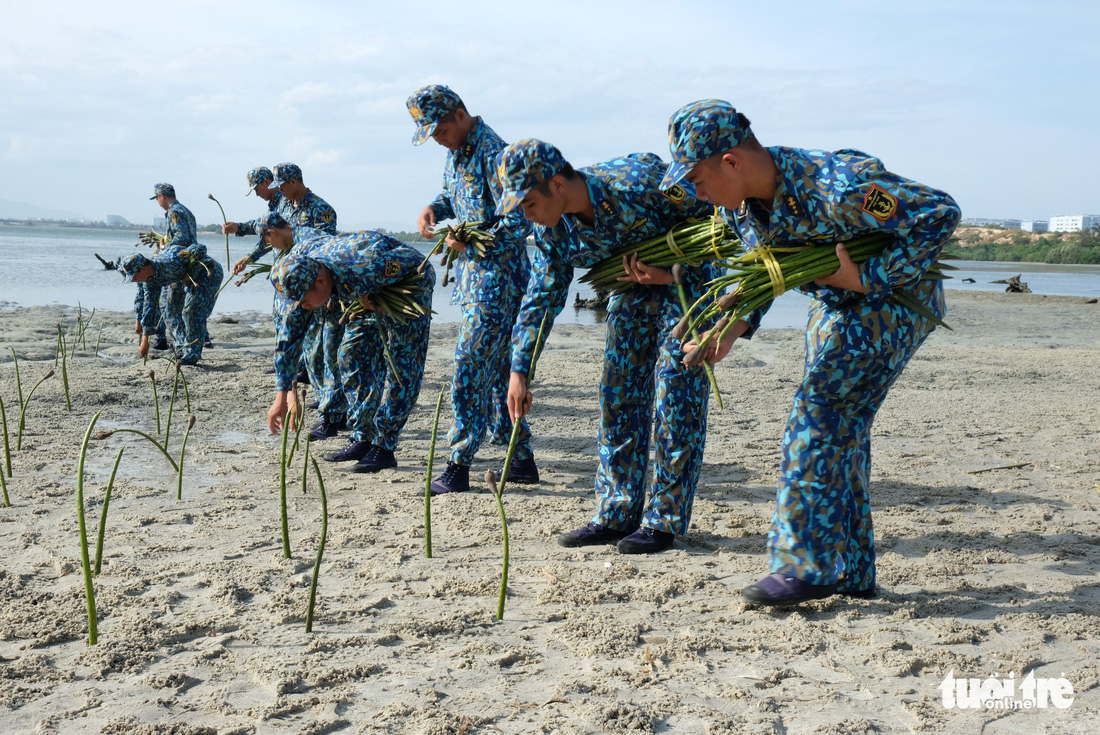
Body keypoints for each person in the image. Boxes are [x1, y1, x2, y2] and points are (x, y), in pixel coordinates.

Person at [661, 99, 961, 604]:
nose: (695, 191)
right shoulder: (738, 208)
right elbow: (766, 272)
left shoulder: (839, 184)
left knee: (818, 412)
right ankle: (851, 571)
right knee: (841, 431)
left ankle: (806, 567)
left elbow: (939, 213)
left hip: (892, 303)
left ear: (731, 161)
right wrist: (729, 331)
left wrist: (867, 278)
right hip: (834, 303)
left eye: (695, 177)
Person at [497, 139, 728, 555]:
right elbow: (543, 294)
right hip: (630, 293)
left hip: (684, 294)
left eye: (528, 203)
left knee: (676, 401)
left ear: (557, 185)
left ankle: (663, 521)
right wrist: (519, 371)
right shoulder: (551, 227)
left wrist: (672, 273)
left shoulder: (640, 184)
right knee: (617, 399)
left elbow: (722, 227)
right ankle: (617, 512)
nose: (524, 213)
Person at [407, 84, 535, 495]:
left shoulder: (496, 154)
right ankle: (520, 459)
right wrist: (435, 207)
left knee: (468, 370)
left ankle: (457, 466)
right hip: (473, 281)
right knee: (497, 375)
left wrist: (472, 239)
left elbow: (519, 222)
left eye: (440, 131)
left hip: (499, 283)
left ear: (460, 114)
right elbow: (454, 195)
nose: (438, 141)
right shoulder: (456, 153)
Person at [265, 219, 434, 474]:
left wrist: (379, 305)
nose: (303, 307)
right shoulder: (297, 267)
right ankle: (362, 436)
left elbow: (414, 270)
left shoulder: (367, 265)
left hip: (407, 284)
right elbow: (289, 337)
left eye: (303, 301)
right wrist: (282, 396)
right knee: (349, 355)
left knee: (403, 366)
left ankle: (384, 447)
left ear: (321, 282)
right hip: (361, 292)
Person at [263, 163, 343, 441]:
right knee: (310, 352)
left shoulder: (321, 210)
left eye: (283, 185)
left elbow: (325, 252)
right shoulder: (283, 208)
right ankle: (328, 405)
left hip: (320, 288)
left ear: (295, 181)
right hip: (297, 288)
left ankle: (333, 413)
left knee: (326, 351)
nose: (280, 191)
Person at [119, 244, 223, 365]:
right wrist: (145, 340)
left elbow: (200, 248)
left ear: (143, 269)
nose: (133, 280)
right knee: (169, 309)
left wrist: (189, 260)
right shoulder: (149, 281)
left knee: (191, 312)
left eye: (134, 277)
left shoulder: (170, 260)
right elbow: (149, 306)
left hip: (208, 274)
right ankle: (181, 347)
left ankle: (192, 355)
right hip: (182, 280)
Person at [224, 166, 285, 276]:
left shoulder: (284, 204)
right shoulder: (275, 204)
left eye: (257, 189)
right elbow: (262, 225)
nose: (257, 194)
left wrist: (249, 258)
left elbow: (271, 235)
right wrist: (239, 227)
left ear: (266, 182)